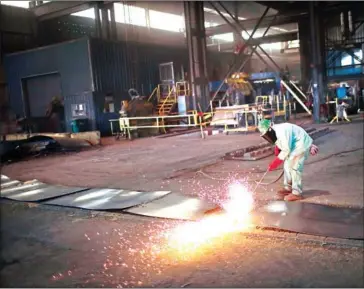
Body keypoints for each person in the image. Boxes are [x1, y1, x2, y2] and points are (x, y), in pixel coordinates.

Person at [258, 119, 319, 201]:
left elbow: (286, 150)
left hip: (301, 145)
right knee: (287, 166)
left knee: (295, 167)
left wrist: (275, 163)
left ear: (270, 128)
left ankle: (297, 193)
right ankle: (288, 188)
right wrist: (278, 148)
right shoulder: (275, 132)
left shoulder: (282, 132)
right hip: (294, 146)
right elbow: (280, 142)